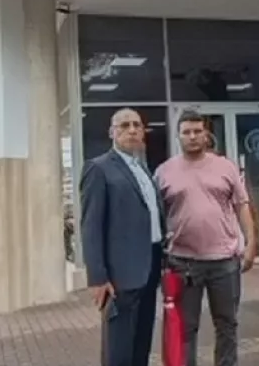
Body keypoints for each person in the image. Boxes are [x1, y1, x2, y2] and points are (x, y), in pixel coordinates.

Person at [155, 109, 256, 366]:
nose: (192, 136)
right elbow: (155, 217)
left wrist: (251, 242)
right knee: (186, 328)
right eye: (186, 132)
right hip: (183, 263)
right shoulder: (164, 172)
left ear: (206, 134)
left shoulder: (225, 167)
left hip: (224, 261)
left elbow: (242, 205)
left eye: (197, 131)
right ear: (178, 136)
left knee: (227, 323)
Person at [80, 108, 165, 366]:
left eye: (137, 125)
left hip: (150, 266)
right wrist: (97, 277)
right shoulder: (99, 168)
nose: (132, 130)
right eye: (124, 125)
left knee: (142, 341)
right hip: (120, 274)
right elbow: (91, 225)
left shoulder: (143, 168)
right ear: (111, 132)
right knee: (118, 349)